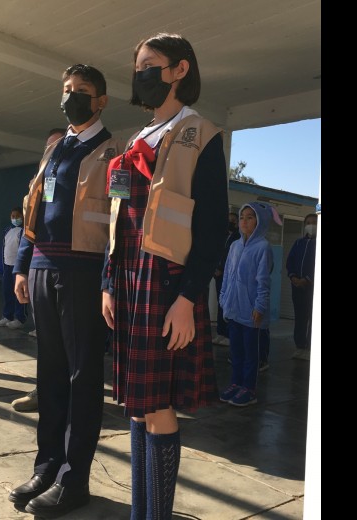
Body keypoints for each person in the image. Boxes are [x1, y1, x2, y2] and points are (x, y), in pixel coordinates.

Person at [101, 33, 227, 520]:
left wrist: (188, 298)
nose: (141, 74)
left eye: (150, 64)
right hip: (129, 280)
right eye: (138, 67)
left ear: (179, 70)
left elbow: (211, 228)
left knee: (158, 407)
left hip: (166, 283)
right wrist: (108, 282)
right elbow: (116, 218)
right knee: (138, 404)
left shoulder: (201, 133)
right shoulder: (136, 138)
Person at [7, 64, 124, 517]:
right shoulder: (55, 149)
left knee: (82, 379)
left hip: (83, 273)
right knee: (50, 376)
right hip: (42, 268)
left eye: (81, 90)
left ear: (101, 101)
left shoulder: (115, 153)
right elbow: (33, 209)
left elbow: (119, 225)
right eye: (67, 89)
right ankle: (47, 468)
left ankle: (74, 480)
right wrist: (22, 266)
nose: (71, 97)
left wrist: (109, 281)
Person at [10, 127, 67, 414]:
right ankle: (44, 392)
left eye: (57, 146)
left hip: (75, 272)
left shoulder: (82, 179)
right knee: (47, 340)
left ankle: (73, 399)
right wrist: (21, 270)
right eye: (48, 148)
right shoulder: (39, 184)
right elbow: (28, 231)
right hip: (40, 271)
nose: (51, 151)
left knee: (73, 343)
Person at [218, 202, 280, 407]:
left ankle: (249, 389)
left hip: (251, 312)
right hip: (233, 309)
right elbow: (227, 275)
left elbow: (263, 281)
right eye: (241, 217)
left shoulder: (263, 247)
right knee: (235, 351)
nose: (244, 221)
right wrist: (223, 298)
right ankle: (235, 383)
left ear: (260, 222)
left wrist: (259, 307)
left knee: (250, 353)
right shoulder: (235, 246)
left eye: (250, 217)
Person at [286, 212, 318, 361]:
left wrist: (308, 279)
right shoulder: (298, 243)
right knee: (300, 317)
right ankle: (300, 346)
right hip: (297, 287)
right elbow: (290, 261)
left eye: (314, 223)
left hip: (313, 288)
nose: (311, 226)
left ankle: (311, 348)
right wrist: (293, 277)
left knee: (313, 317)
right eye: (308, 223)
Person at [0, 207, 27, 329]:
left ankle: (20, 318)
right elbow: (3, 250)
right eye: (13, 216)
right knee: (7, 292)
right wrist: (1, 267)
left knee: (19, 293)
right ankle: (7, 316)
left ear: (22, 217)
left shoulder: (23, 231)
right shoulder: (7, 231)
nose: (15, 218)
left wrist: (22, 268)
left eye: (18, 216)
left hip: (17, 268)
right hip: (7, 266)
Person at [212, 212, 240, 346]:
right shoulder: (222, 237)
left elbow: (230, 257)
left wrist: (222, 269)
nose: (231, 223)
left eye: (234, 221)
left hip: (228, 275)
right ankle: (220, 332)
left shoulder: (237, 238)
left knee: (228, 305)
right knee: (220, 304)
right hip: (218, 275)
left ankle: (228, 335)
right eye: (229, 220)